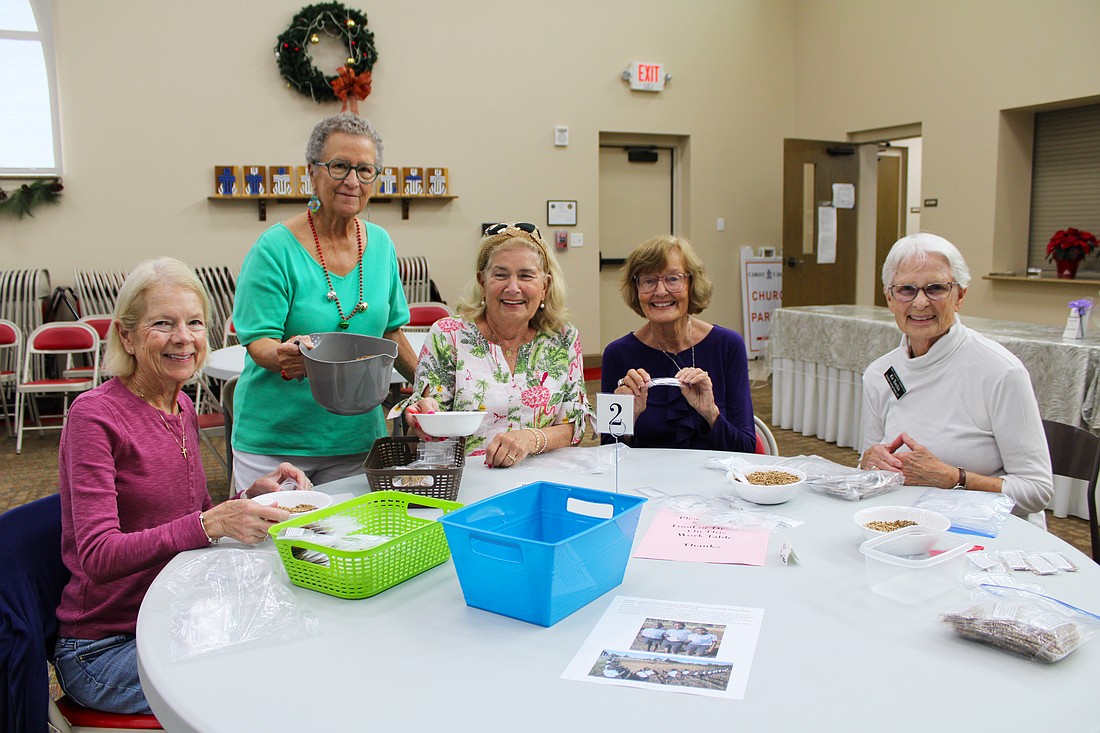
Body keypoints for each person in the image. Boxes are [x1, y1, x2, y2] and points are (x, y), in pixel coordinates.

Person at [53, 258, 309, 715]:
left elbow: (195, 515)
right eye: (162, 324)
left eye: (194, 323)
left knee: (296, 643)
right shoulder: (94, 417)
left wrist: (250, 498)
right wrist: (211, 523)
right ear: (126, 336)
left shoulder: (182, 405)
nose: (183, 338)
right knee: (261, 690)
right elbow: (96, 556)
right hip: (107, 646)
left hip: (180, 616)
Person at [231, 113, 418, 489]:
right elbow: (259, 342)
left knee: (347, 542)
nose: (352, 181)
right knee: (273, 544)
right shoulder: (275, 248)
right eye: (339, 166)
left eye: (365, 170)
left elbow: (392, 333)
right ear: (312, 172)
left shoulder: (381, 244)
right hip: (278, 442)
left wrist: (436, 388)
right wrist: (285, 353)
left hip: (357, 439)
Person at [859, 233, 1054, 526]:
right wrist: (867, 463)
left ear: (960, 296)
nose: (921, 302)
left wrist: (954, 478)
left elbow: (1037, 491)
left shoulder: (1001, 372)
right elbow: (868, 467)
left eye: (936, 288)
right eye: (906, 290)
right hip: (903, 525)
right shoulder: (879, 373)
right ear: (889, 298)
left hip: (989, 533)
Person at [394, 222, 592, 467]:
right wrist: (422, 416)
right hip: (463, 481)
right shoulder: (449, 336)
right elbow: (424, 425)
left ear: (545, 286)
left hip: (542, 477)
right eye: (500, 274)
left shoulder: (563, 338)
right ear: (482, 282)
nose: (512, 287)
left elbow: (573, 426)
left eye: (525, 275)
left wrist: (530, 439)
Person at [602, 235, 756, 452]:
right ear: (636, 290)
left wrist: (710, 412)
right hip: (642, 481)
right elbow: (608, 453)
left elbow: (747, 449)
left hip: (714, 481)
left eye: (673, 279)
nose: (661, 291)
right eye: (648, 280)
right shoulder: (617, 354)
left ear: (691, 284)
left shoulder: (728, 346)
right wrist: (629, 420)